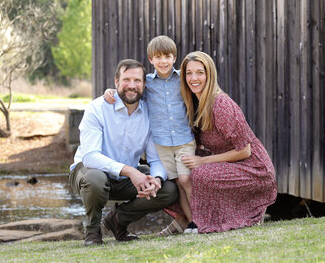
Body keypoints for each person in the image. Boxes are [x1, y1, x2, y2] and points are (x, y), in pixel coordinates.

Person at [69, 59, 178, 246]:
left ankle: (117, 220)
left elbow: (155, 158)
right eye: (126, 79)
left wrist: (157, 179)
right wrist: (130, 171)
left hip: (125, 178)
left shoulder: (150, 115)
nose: (132, 85)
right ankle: (93, 232)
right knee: (95, 179)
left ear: (144, 84)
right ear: (116, 82)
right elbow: (90, 157)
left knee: (168, 190)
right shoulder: (97, 108)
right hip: (88, 172)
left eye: (137, 81)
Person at [174, 51, 277, 233]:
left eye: (200, 72)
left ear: (209, 75)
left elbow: (245, 151)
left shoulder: (220, 104)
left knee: (200, 174)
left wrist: (202, 161)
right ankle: (187, 220)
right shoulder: (194, 103)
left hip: (254, 168)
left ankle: (236, 214)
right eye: (189, 73)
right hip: (229, 163)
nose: (194, 78)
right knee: (180, 168)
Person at [104, 36, 197, 235]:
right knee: (174, 184)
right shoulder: (148, 84)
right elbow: (131, 91)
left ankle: (198, 219)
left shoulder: (183, 79)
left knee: (186, 179)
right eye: (158, 57)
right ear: (151, 59)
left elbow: (199, 87)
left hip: (184, 140)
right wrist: (110, 91)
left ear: (174, 58)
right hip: (161, 143)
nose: (163, 61)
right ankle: (190, 223)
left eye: (167, 56)